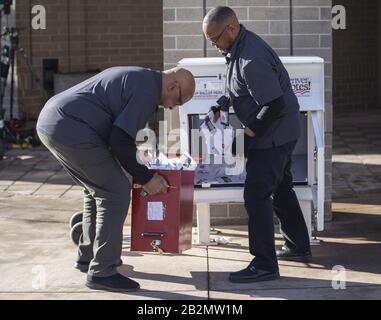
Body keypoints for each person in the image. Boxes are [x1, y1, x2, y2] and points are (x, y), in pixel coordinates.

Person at [36, 66, 195, 292]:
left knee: (98, 189)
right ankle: (102, 271)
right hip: (69, 128)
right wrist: (146, 178)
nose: (170, 107)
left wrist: (139, 165)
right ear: (172, 86)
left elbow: (119, 138)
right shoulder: (147, 91)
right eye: (176, 102)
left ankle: (88, 256)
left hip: (52, 121)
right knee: (116, 191)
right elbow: (120, 141)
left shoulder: (140, 78)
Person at [203, 6, 311, 283]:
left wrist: (248, 136)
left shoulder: (252, 58)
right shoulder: (236, 49)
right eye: (209, 40)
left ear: (231, 28)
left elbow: (273, 103)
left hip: (274, 136)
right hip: (277, 132)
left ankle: (264, 264)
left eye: (215, 38)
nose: (213, 45)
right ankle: (298, 244)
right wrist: (221, 104)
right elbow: (236, 87)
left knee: (256, 195)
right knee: (281, 188)